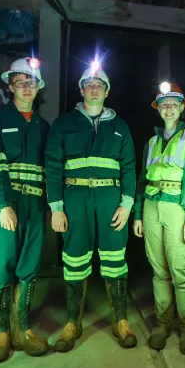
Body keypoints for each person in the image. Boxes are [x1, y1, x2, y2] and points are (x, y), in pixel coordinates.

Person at [44, 61, 138, 352]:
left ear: (107, 92)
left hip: (110, 200)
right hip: (75, 199)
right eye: (89, 84)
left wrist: (127, 204)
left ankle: (121, 320)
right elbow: (53, 165)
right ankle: (73, 322)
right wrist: (56, 207)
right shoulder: (64, 123)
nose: (94, 88)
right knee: (74, 261)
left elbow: (130, 168)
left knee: (114, 259)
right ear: (81, 89)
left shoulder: (120, 126)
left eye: (100, 85)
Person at [0, 57, 51, 363]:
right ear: (10, 86)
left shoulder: (42, 125)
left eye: (32, 82)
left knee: (29, 264)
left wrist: (49, 206)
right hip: (6, 203)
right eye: (21, 82)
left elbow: (49, 169)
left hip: (34, 204)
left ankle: (21, 329)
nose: (27, 87)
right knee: (1, 264)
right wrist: (2, 205)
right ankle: (1, 331)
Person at [132, 82, 185, 355]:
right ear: (158, 109)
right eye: (163, 104)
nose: (168, 108)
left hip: (179, 208)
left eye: (173, 104)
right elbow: (143, 179)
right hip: (152, 207)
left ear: (181, 108)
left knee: (181, 271)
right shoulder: (152, 142)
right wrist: (139, 213)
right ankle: (163, 323)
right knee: (159, 271)